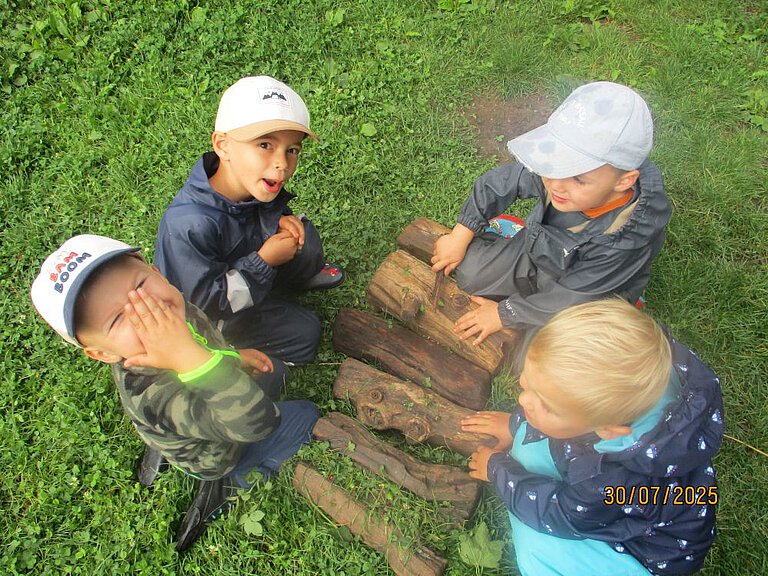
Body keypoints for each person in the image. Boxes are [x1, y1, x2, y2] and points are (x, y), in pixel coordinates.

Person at [30, 234, 319, 551]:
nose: (148, 312)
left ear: (154, 271)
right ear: (102, 353)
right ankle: (230, 482)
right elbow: (257, 424)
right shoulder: (154, 393)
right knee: (305, 416)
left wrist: (232, 358)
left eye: (140, 288)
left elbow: (207, 343)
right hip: (217, 452)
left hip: (205, 404)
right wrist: (190, 359)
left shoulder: (174, 309)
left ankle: (164, 442)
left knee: (274, 372)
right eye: (116, 320)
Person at [462, 299, 723, 575]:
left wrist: (499, 471)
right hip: (614, 498)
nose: (523, 398)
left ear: (607, 430)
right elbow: (558, 389)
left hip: (643, 554)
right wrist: (517, 425)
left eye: (546, 405)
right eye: (528, 383)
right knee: (532, 441)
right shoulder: (633, 381)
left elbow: (560, 515)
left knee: (537, 554)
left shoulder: (608, 480)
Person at [431, 81, 671, 346]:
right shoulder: (559, 175)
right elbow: (500, 183)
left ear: (624, 182)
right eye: (556, 166)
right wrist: (460, 235)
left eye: (578, 178)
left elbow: (573, 296)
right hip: (539, 251)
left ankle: (619, 309)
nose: (556, 184)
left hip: (586, 292)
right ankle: (516, 247)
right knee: (470, 273)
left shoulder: (623, 240)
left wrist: (504, 313)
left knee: (536, 357)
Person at [155, 75, 344, 366]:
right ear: (223, 145)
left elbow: (248, 218)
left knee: (306, 242)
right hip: (220, 313)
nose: (282, 162)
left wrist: (279, 220)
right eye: (265, 145)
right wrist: (265, 262)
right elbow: (205, 305)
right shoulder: (188, 226)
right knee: (306, 333)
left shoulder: (249, 181)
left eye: (292, 150)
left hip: (249, 266)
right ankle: (236, 354)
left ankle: (281, 286)